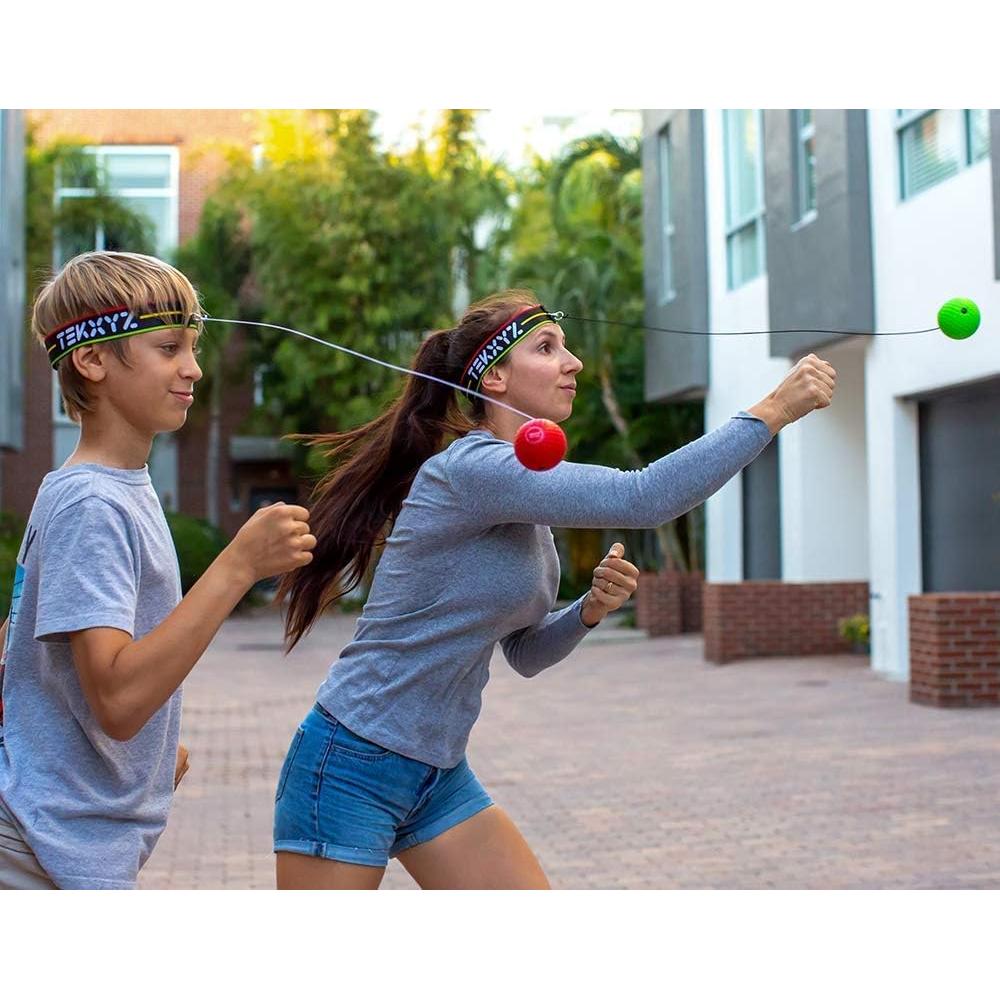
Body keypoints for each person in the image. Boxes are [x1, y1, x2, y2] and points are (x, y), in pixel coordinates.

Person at [273, 289, 836, 889]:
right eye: (548, 348)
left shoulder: (523, 494)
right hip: (352, 759)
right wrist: (773, 408)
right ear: (494, 378)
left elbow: (524, 655)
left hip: (435, 771)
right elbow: (641, 497)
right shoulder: (471, 470)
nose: (574, 363)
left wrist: (587, 611)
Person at [0, 251, 315, 889]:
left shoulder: (101, 488)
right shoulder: (92, 504)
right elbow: (117, 700)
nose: (193, 368)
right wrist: (237, 566)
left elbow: (20, 647)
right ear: (91, 360)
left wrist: (139, 757)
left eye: (193, 346)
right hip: (42, 846)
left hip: (61, 835)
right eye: (170, 347)